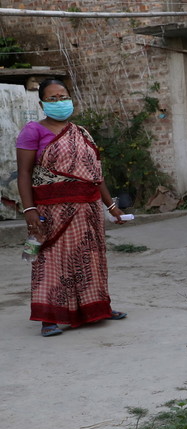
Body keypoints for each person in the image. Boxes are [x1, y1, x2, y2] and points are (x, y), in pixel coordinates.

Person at [16, 78, 128, 337]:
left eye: (63, 96)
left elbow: (94, 175)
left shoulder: (82, 132)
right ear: (42, 103)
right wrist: (29, 210)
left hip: (87, 209)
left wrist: (111, 206)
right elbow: (23, 173)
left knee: (91, 260)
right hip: (51, 210)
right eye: (52, 98)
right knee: (53, 260)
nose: (59, 102)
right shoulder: (33, 131)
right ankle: (50, 318)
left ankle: (96, 308)